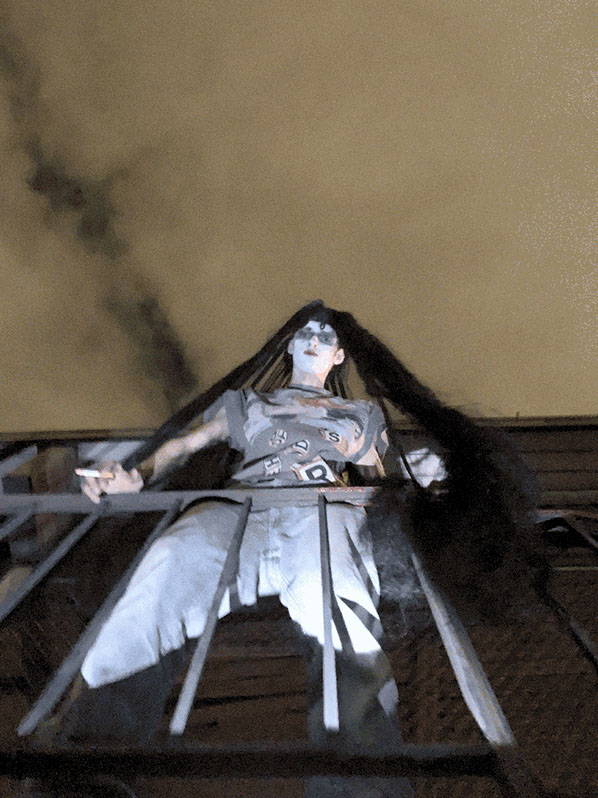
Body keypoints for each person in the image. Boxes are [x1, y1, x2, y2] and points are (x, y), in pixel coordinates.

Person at [39, 301, 538, 798]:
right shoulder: (250, 403)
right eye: (305, 333)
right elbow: (185, 445)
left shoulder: (359, 414)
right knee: (168, 565)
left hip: (325, 510)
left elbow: (381, 475)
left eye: (326, 336)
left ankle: (361, 783)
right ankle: (91, 761)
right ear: (291, 346)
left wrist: (426, 480)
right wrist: (138, 474)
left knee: (341, 616)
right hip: (240, 506)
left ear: (339, 356)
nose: (314, 340)